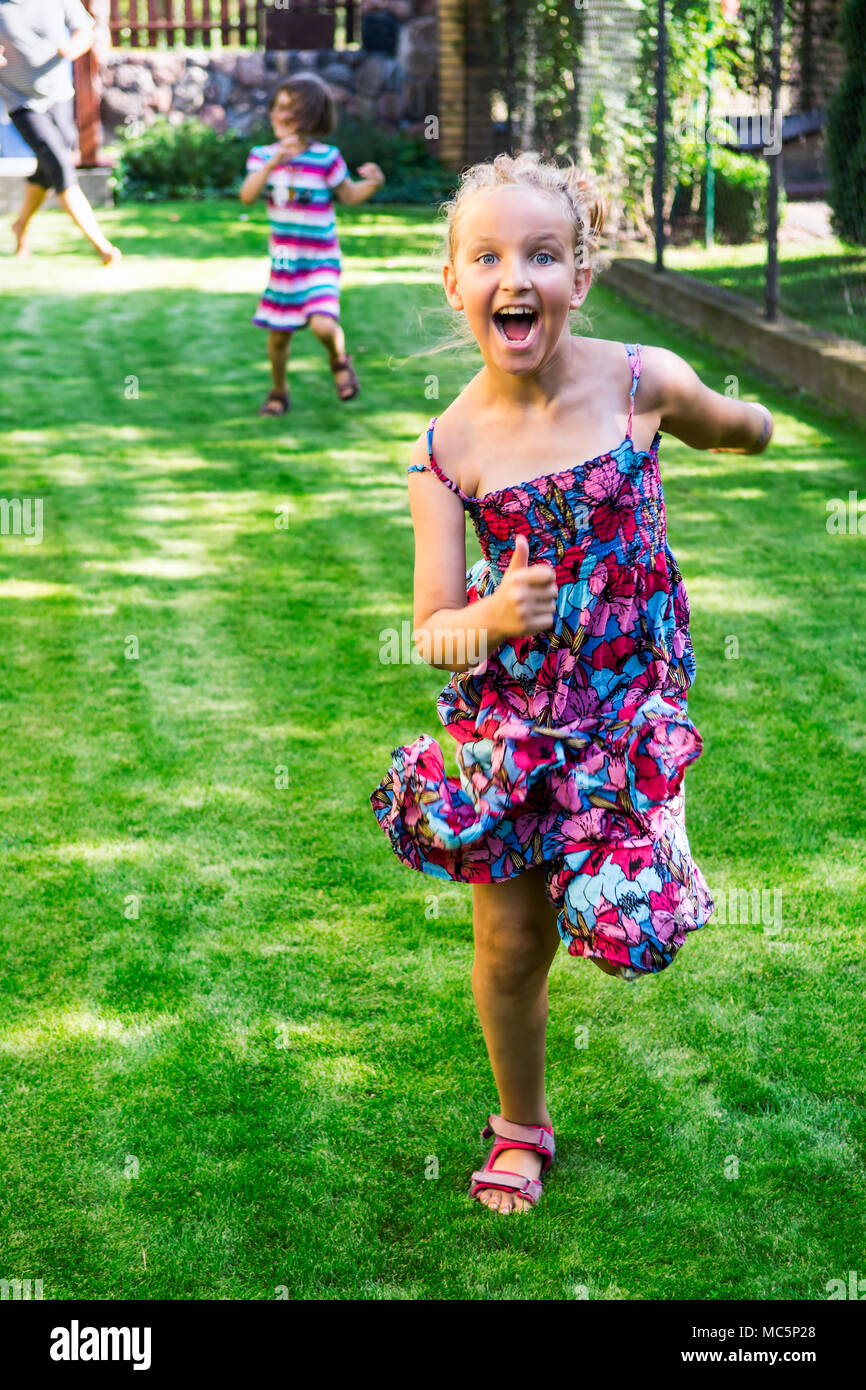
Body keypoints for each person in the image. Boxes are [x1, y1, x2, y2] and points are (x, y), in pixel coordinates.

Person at [369, 151, 774, 1214]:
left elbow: (732, 423)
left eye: (541, 255)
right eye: (489, 257)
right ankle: (519, 1125)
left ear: (578, 277)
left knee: (627, 925)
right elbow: (430, 635)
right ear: (454, 282)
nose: (516, 277)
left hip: (627, 706)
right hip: (511, 731)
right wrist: (489, 620)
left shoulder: (638, 382)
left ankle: (646, 831)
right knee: (510, 941)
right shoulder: (443, 453)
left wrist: (752, 424)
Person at [240, 73, 385, 416]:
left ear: (311, 116)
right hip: (286, 264)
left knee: (322, 322)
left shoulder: (326, 158)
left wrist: (374, 184)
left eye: (290, 109)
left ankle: (339, 362)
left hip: (321, 258)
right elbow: (247, 196)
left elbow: (349, 194)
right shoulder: (262, 156)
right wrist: (274, 162)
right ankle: (278, 391)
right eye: (276, 107)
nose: (279, 115)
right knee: (279, 337)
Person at [0, 0, 120, 263]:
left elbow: (85, 29)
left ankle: (20, 226)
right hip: (21, 102)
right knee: (59, 164)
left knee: (47, 166)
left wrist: (72, 47)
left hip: (59, 96)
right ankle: (102, 246)